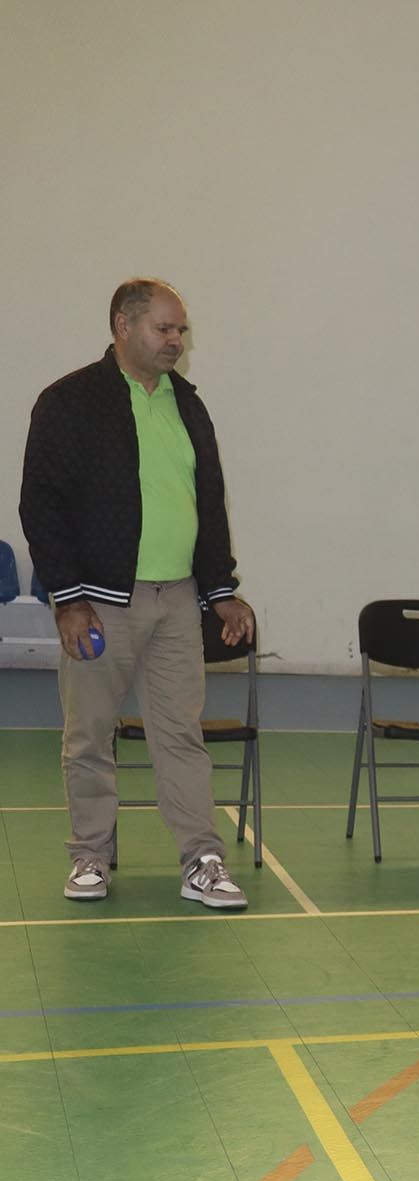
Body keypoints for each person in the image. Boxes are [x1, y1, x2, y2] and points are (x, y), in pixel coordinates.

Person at [19, 278, 254, 910]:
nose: (177, 340)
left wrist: (222, 589)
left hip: (177, 599)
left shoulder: (188, 404)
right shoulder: (70, 402)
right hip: (98, 603)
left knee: (180, 734)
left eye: (182, 331)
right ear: (123, 326)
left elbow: (208, 502)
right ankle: (90, 858)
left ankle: (201, 860)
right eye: (165, 329)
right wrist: (67, 598)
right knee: (89, 734)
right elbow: (41, 505)